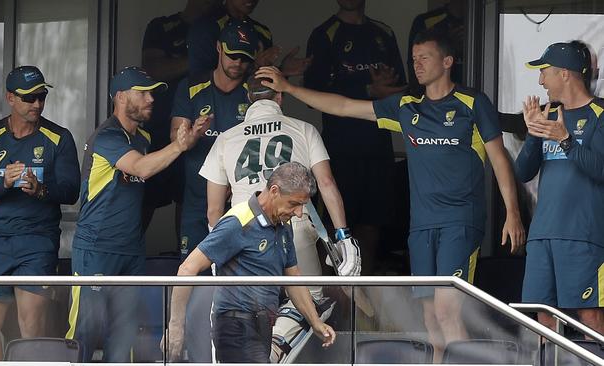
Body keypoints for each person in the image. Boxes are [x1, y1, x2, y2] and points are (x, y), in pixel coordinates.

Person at [257, 29, 526, 361]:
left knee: (447, 310)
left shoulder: (472, 103)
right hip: (422, 227)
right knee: (429, 317)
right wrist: (289, 88)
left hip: (461, 221)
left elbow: (499, 158)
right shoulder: (405, 106)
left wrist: (512, 212)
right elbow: (343, 106)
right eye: (413, 59)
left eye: (424, 58)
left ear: (447, 61)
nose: (417, 65)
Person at [199, 74, 360, 362]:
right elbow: (326, 183)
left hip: (241, 230)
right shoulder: (303, 128)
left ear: (247, 99)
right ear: (280, 98)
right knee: (310, 298)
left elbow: (213, 209)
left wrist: (216, 250)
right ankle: (276, 344)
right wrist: (343, 235)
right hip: (293, 223)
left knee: (236, 308)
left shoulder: (226, 138)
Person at [65, 66, 204, 362]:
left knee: (124, 336)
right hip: (96, 250)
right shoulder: (106, 136)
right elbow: (141, 168)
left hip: (130, 250)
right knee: (84, 334)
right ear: (120, 97)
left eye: (152, 93)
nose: (151, 99)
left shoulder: (141, 137)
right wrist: (179, 146)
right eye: (143, 92)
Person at [163, 162, 336, 363]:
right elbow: (187, 268)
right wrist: (175, 326)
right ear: (274, 191)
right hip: (235, 325)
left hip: (263, 325)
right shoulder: (238, 221)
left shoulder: (284, 225)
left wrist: (315, 322)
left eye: (302, 206)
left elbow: (293, 278)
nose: (298, 213)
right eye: (293, 204)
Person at [0, 65, 80, 360]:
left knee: (31, 328)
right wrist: (3, 183)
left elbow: (71, 192)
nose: (37, 104)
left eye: (42, 96)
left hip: (37, 239)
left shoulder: (59, 137)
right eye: (29, 98)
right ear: (10, 98)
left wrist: (41, 189)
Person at [170, 20, 258, 362]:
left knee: (240, 285)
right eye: (233, 54)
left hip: (241, 207)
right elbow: (176, 141)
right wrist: (190, 136)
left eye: (245, 58)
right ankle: (188, 347)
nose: (237, 63)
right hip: (196, 204)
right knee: (192, 278)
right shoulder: (191, 88)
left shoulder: (251, 94)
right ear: (219, 49)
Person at [304, 0, 406, 275]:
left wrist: (388, 86)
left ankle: (363, 298)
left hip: (377, 145)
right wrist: (368, 87)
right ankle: (327, 300)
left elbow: (404, 89)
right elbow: (312, 94)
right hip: (340, 148)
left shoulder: (383, 32)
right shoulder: (325, 33)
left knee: (371, 226)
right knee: (332, 227)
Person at [516, 41, 604, 334]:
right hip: (543, 234)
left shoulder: (599, 114)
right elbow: (523, 173)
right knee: (543, 317)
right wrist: (533, 134)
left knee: (589, 317)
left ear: (565, 74)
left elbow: (601, 170)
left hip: (583, 235)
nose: (541, 81)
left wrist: (566, 139)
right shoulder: (547, 114)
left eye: (545, 72)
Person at [140, 0, 221, 231]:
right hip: (158, 126)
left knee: (188, 198)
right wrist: (198, 61)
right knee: (146, 194)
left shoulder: (220, 29)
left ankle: (183, 259)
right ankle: (132, 261)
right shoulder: (162, 26)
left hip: (201, 127)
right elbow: (153, 69)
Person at [187, 0, 310, 76]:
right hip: (215, 112)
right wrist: (254, 67)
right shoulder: (207, 27)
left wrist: (281, 71)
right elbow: (199, 80)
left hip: (253, 111)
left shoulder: (262, 32)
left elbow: (263, 90)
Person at [407, 1, 464, 90]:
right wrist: (451, 46)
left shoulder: (484, 17)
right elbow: (414, 69)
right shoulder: (426, 22)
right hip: (433, 96)